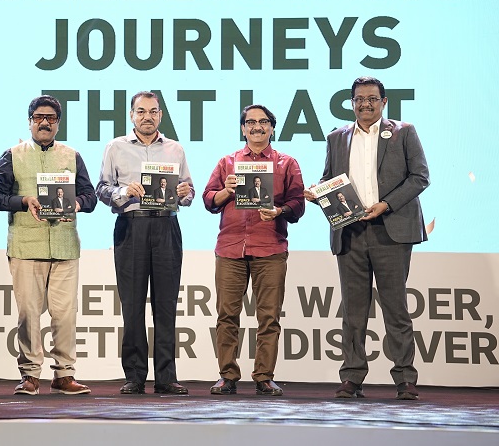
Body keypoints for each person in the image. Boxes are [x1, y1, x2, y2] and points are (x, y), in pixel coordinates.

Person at [304, 76, 429, 400]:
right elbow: (329, 179)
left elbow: (420, 177)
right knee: (353, 312)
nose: (365, 105)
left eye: (372, 99)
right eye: (359, 99)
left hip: (391, 230)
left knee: (396, 309)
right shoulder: (337, 137)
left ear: (384, 102)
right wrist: (318, 194)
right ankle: (352, 377)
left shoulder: (404, 132)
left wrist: (386, 204)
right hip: (351, 231)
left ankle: (405, 379)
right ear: (351, 103)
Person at [0, 95, 96, 395]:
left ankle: (64, 375)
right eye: (38, 117)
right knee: (29, 315)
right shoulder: (12, 155)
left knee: (65, 315)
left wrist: (76, 203)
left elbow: (90, 196)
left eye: (51, 118)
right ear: (29, 122)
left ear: (58, 123)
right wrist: (24, 201)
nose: (44, 122)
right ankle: (30, 375)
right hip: (26, 247)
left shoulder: (72, 156)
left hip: (64, 246)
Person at [202, 105, 305, 397]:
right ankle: (227, 376)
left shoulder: (287, 163)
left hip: (270, 247)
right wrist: (226, 191)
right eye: (251, 122)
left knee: (269, 317)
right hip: (230, 248)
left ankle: (264, 377)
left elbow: (298, 205)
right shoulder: (227, 162)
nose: (257, 126)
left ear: (272, 127)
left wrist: (279, 211)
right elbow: (208, 200)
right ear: (243, 128)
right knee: (226, 316)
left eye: (263, 122)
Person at [96, 91, 194, 395]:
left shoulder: (175, 149)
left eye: (153, 111)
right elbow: (102, 189)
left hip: (166, 226)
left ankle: (166, 377)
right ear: (131, 115)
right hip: (131, 226)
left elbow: (188, 190)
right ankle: (135, 376)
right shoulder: (115, 147)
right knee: (132, 304)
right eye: (141, 111)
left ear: (160, 116)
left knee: (166, 305)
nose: (147, 117)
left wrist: (185, 194)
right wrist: (124, 191)